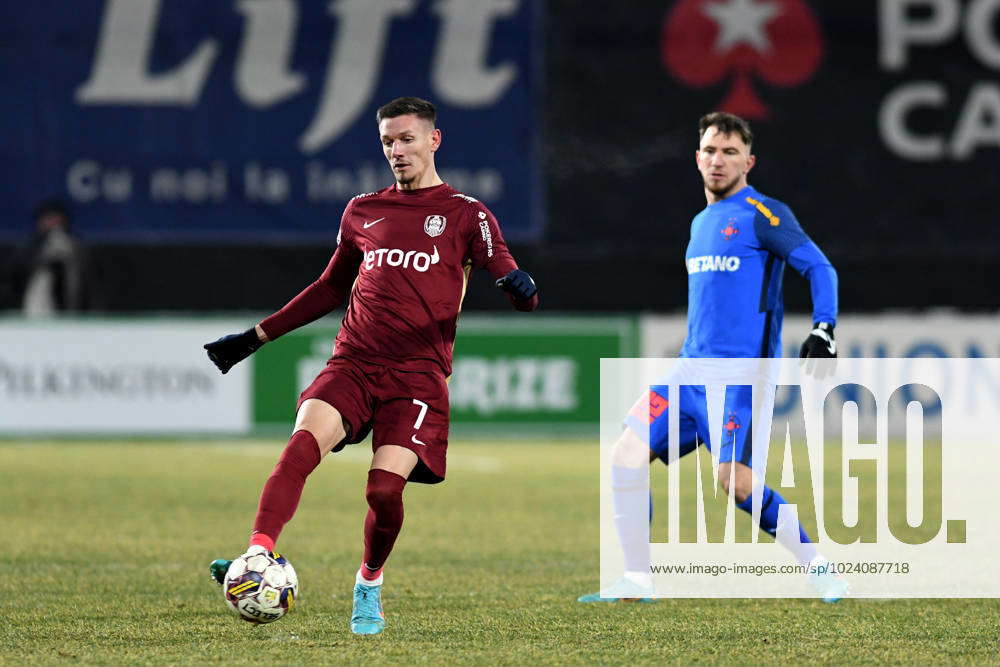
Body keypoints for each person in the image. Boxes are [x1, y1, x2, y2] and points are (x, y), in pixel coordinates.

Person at [204, 97, 539, 634]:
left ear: (434, 140)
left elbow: (512, 278)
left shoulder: (466, 214)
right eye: (387, 141)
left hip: (418, 376)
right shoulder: (363, 210)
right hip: (354, 361)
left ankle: (369, 582)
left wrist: (522, 290)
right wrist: (254, 337)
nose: (396, 150)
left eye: (407, 138)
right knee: (299, 447)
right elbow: (330, 288)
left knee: (383, 493)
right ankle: (258, 556)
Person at [578, 112, 845, 603]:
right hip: (688, 372)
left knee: (737, 486)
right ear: (697, 158)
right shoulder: (700, 223)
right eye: (710, 151)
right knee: (626, 455)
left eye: (729, 151)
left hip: (740, 377)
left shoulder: (764, 214)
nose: (718, 160)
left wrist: (823, 328)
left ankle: (820, 567)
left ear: (749, 160)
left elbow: (820, 267)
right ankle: (637, 580)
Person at [18, 200, 88, 317]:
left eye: (56, 220)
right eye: (48, 219)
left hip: (73, 318)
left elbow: (87, 290)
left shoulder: (77, 249)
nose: (53, 225)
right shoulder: (27, 251)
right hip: (30, 318)